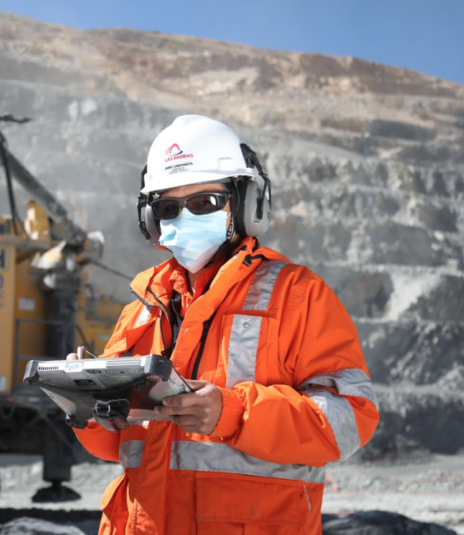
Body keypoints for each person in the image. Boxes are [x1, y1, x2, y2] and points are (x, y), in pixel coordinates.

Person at [68, 115, 380, 535]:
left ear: (247, 203)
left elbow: (350, 421)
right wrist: (87, 406)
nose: (184, 217)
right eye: (168, 208)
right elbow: (119, 446)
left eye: (204, 203)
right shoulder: (144, 309)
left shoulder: (299, 295)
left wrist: (233, 414)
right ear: (151, 220)